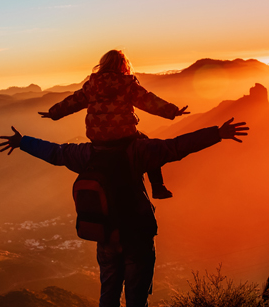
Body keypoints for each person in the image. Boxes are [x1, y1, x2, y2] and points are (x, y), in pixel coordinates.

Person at [0, 117, 249, 307]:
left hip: (106, 238)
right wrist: (217, 133)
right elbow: (176, 147)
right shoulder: (138, 150)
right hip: (136, 236)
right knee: (136, 299)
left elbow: (55, 152)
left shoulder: (87, 153)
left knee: (108, 299)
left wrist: (22, 141)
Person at [38, 49, 189, 199]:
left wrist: (54, 113)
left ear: (103, 64)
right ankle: (158, 187)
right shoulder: (127, 84)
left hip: (98, 139)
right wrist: (172, 111)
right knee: (151, 148)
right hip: (125, 137)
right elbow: (148, 101)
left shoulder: (92, 85)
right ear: (123, 65)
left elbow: (73, 101)